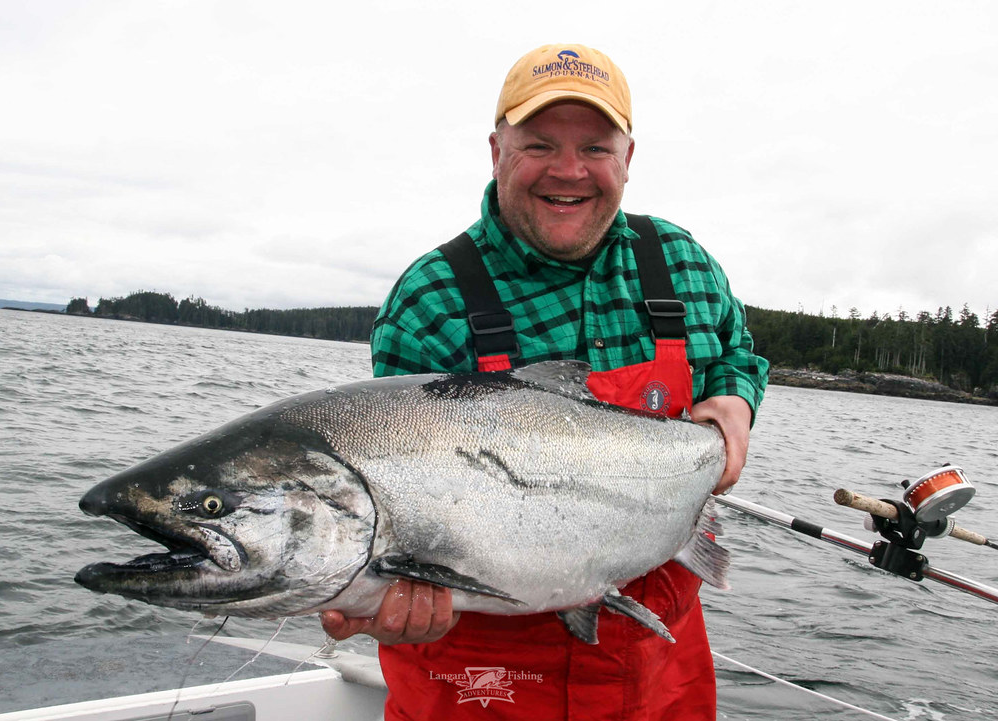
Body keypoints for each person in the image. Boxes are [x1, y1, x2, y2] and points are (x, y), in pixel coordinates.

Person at [321, 43, 769, 720]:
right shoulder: (432, 299)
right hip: (481, 678)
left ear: (628, 158)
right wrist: (382, 600)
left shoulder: (681, 264)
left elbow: (737, 352)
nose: (568, 171)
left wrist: (734, 401)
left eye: (594, 146)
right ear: (496, 149)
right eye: (539, 144)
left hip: (658, 669)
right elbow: (394, 493)